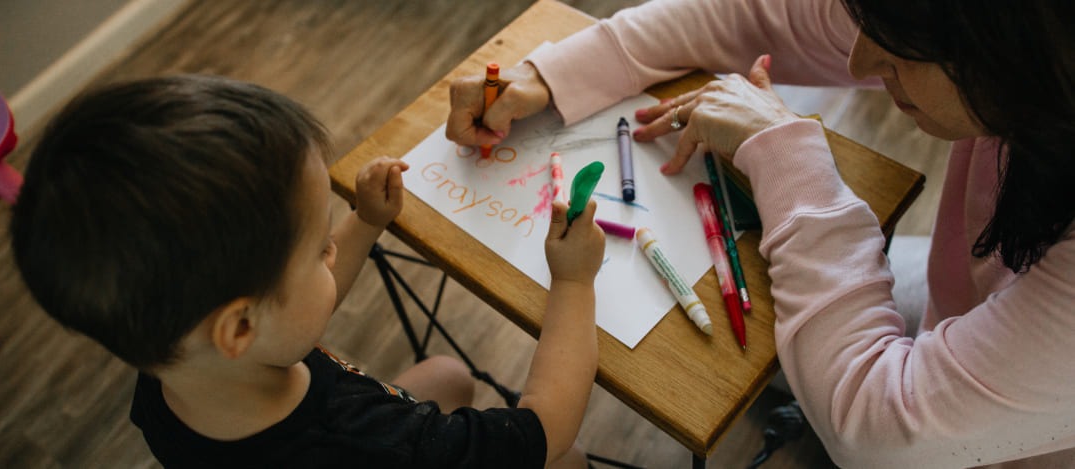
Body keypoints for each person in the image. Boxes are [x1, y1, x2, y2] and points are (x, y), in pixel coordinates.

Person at [445, 0, 1075, 467]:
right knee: (778, 355)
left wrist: (788, 157)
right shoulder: (1030, 57)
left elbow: (877, 430)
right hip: (963, 304)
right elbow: (753, 14)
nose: (858, 60)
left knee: (798, 373)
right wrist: (548, 76)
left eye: (898, 47)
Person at [10, 74, 606, 468]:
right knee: (572, 459)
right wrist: (575, 282)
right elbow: (545, 427)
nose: (332, 252)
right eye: (321, 247)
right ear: (238, 328)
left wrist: (364, 222)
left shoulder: (171, 361)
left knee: (448, 374)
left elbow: (287, 313)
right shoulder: (369, 440)